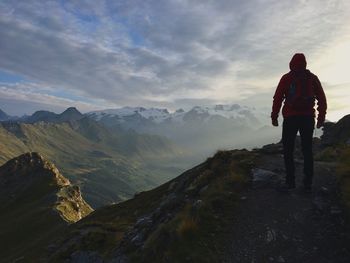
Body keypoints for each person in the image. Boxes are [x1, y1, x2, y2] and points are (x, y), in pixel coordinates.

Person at [271, 53, 327, 192]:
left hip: (291, 118)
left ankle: (290, 182)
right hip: (308, 118)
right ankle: (307, 183)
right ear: (305, 63)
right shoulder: (312, 78)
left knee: (288, 150)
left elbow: (277, 98)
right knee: (307, 150)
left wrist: (274, 116)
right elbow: (322, 99)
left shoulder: (286, 78)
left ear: (291, 63)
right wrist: (321, 118)